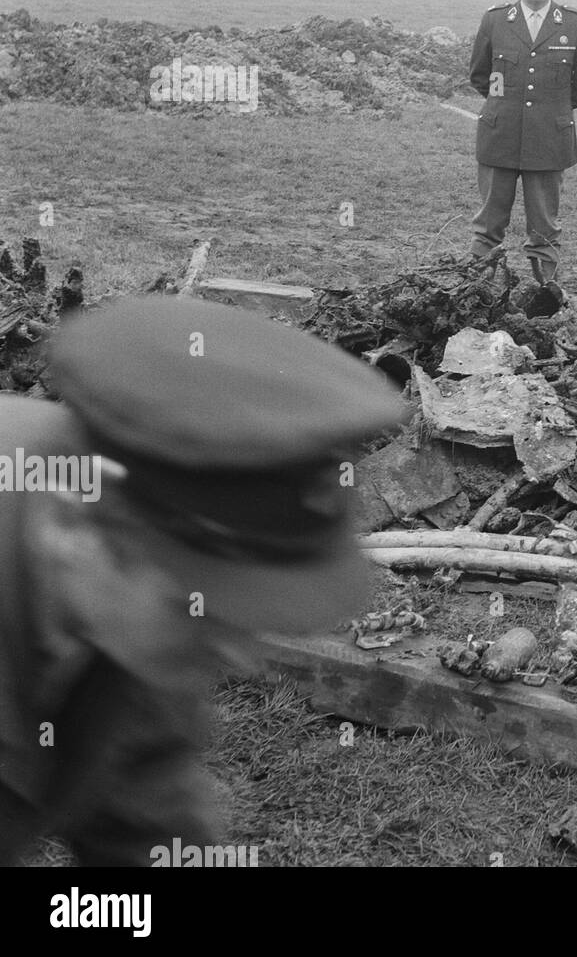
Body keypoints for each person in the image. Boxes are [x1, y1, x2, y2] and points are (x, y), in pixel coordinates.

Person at [0, 295, 405, 867]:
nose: (237, 655)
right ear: (80, 531)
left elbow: (145, 829)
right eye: (205, 610)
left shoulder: (130, 609)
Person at [468, 0, 577, 292]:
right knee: (488, 225)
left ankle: (547, 300)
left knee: (544, 229)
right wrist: (504, 105)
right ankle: (474, 296)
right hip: (500, 137)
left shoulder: (574, 24)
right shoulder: (495, 21)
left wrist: (550, 109)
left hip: (548, 140)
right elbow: (482, 75)